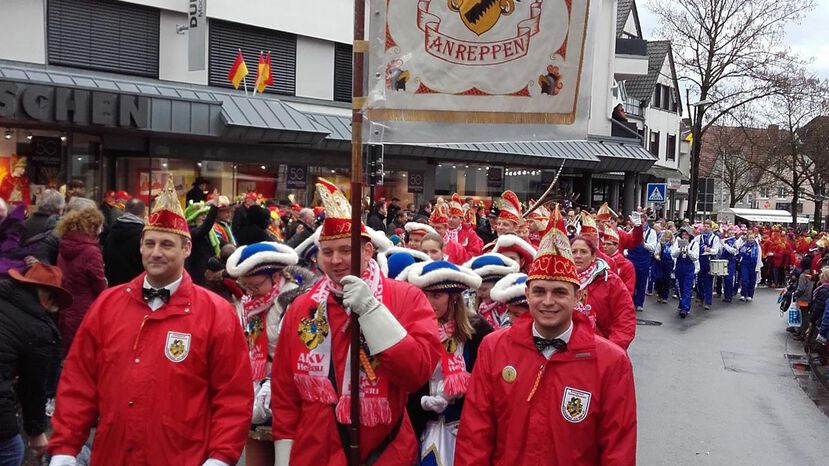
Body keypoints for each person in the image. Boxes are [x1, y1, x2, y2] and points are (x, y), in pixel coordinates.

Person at [47, 177, 252, 466]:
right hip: (113, 456)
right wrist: (66, 447)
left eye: (167, 244)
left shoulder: (216, 313)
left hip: (183, 458)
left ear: (187, 249)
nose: (156, 252)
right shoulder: (108, 305)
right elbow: (79, 381)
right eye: (150, 243)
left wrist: (220, 457)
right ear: (140, 247)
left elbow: (232, 395)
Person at [270, 178, 442, 466]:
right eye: (327, 252)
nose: (336, 260)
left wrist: (372, 311)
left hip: (385, 454)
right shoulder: (303, 307)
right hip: (315, 455)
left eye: (346, 250)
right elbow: (285, 393)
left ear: (367, 251)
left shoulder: (405, 298)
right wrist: (284, 458)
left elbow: (416, 373)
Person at [454, 206, 637, 465]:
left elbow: (618, 449)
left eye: (560, 292)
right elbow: (475, 435)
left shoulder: (611, 362)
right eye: (539, 291)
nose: (548, 301)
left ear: (577, 297)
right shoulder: (494, 348)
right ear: (527, 295)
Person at [404, 261, 490, 466]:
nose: (428, 302)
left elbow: (488, 386)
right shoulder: (411, 329)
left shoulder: (477, 331)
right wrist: (423, 402)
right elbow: (404, 382)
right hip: (423, 428)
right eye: (424, 295)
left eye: (436, 296)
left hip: (465, 430)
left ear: (453, 298)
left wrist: (468, 384)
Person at [225, 242, 302, 466]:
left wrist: (271, 383)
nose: (249, 292)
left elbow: (296, 352)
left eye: (255, 285)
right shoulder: (252, 302)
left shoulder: (295, 302)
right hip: (257, 388)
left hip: (286, 392)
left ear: (276, 276)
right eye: (245, 286)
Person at [0, 264, 71, 465]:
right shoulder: (37, 329)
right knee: (12, 451)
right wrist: (36, 432)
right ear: (48, 298)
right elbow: (33, 387)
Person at [55, 207, 107, 356]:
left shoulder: (64, 247)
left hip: (66, 309)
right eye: (99, 226)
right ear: (92, 227)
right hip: (86, 310)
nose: (101, 230)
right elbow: (99, 285)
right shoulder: (91, 252)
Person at [570, 235, 636, 350]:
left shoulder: (610, 281)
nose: (578, 256)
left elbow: (625, 319)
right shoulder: (558, 281)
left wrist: (611, 349)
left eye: (583, 252)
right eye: (574, 252)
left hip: (600, 350)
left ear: (593, 257)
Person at [464, 253, 520, 329]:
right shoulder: (471, 304)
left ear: (499, 285)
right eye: (476, 290)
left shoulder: (514, 308)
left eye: (484, 289)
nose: (479, 294)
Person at [104, 198, 146, 286]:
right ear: (143, 213)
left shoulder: (110, 232)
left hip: (113, 286)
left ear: (125, 210)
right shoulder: (144, 236)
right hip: (135, 287)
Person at [21, 188, 63, 264]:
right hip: (48, 272)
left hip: (22, 271)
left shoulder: (24, 224)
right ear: (59, 208)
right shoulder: (58, 227)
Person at [184, 200, 219, 286]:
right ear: (193, 217)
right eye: (201, 214)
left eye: (205, 214)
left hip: (208, 274)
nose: (204, 217)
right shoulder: (191, 231)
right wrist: (214, 208)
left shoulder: (211, 233)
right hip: (196, 274)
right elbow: (205, 228)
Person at [429, 200, 469, 265]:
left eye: (438, 228)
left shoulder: (457, 248)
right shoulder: (422, 244)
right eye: (432, 227)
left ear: (446, 228)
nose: (434, 230)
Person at [672, 228, 699, 317]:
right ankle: (682, 304)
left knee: (687, 288)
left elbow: (695, 257)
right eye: (683, 235)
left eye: (686, 235)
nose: (684, 236)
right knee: (680, 287)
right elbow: (673, 254)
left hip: (689, 267)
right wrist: (680, 249)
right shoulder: (677, 242)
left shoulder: (694, 244)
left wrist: (688, 251)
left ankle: (685, 307)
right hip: (680, 267)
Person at [447, 194, 483, 258]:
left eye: (454, 217)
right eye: (449, 217)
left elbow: (475, 253)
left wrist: (458, 258)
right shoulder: (443, 231)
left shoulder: (470, 233)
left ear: (461, 219)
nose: (450, 220)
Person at [602, 228, 636, 295]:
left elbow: (628, 290)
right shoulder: (600, 261)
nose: (605, 246)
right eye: (604, 244)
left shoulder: (627, 265)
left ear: (616, 245)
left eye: (608, 244)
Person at [719, 226, 741, 303]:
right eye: (730, 233)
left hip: (731, 261)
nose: (731, 235)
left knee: (729, 279)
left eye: (732, 233)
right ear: (727, 234)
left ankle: (730, 295)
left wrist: (724, 244)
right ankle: (726, 295)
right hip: (723, 260)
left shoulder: (736, 241)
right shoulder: (725, 240)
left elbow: (732, 251)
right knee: (724, 279)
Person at [653, 230, 675, 304]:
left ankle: (665, 296)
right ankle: (659, 294)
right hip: (660, 262)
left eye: (669, 237)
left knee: (666, 280)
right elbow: (656, 253)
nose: (667, 238)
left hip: (669, 263)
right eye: (666, 237)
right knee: (659, 278)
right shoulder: (660, 244)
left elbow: (674, 255)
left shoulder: (673, 245)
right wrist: (658, 257)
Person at [738, 233, 761, 302]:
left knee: (752, 281)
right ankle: (743, 294)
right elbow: (739, 252)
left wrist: (758, 266)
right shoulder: (743, 245)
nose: (751, 239)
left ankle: (750, 295)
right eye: (750, 238)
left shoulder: (757, 247)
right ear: (747, 238)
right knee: (744, 280)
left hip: (753, 265)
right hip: (745, 264)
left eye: (752, 238)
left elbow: (759, 257)